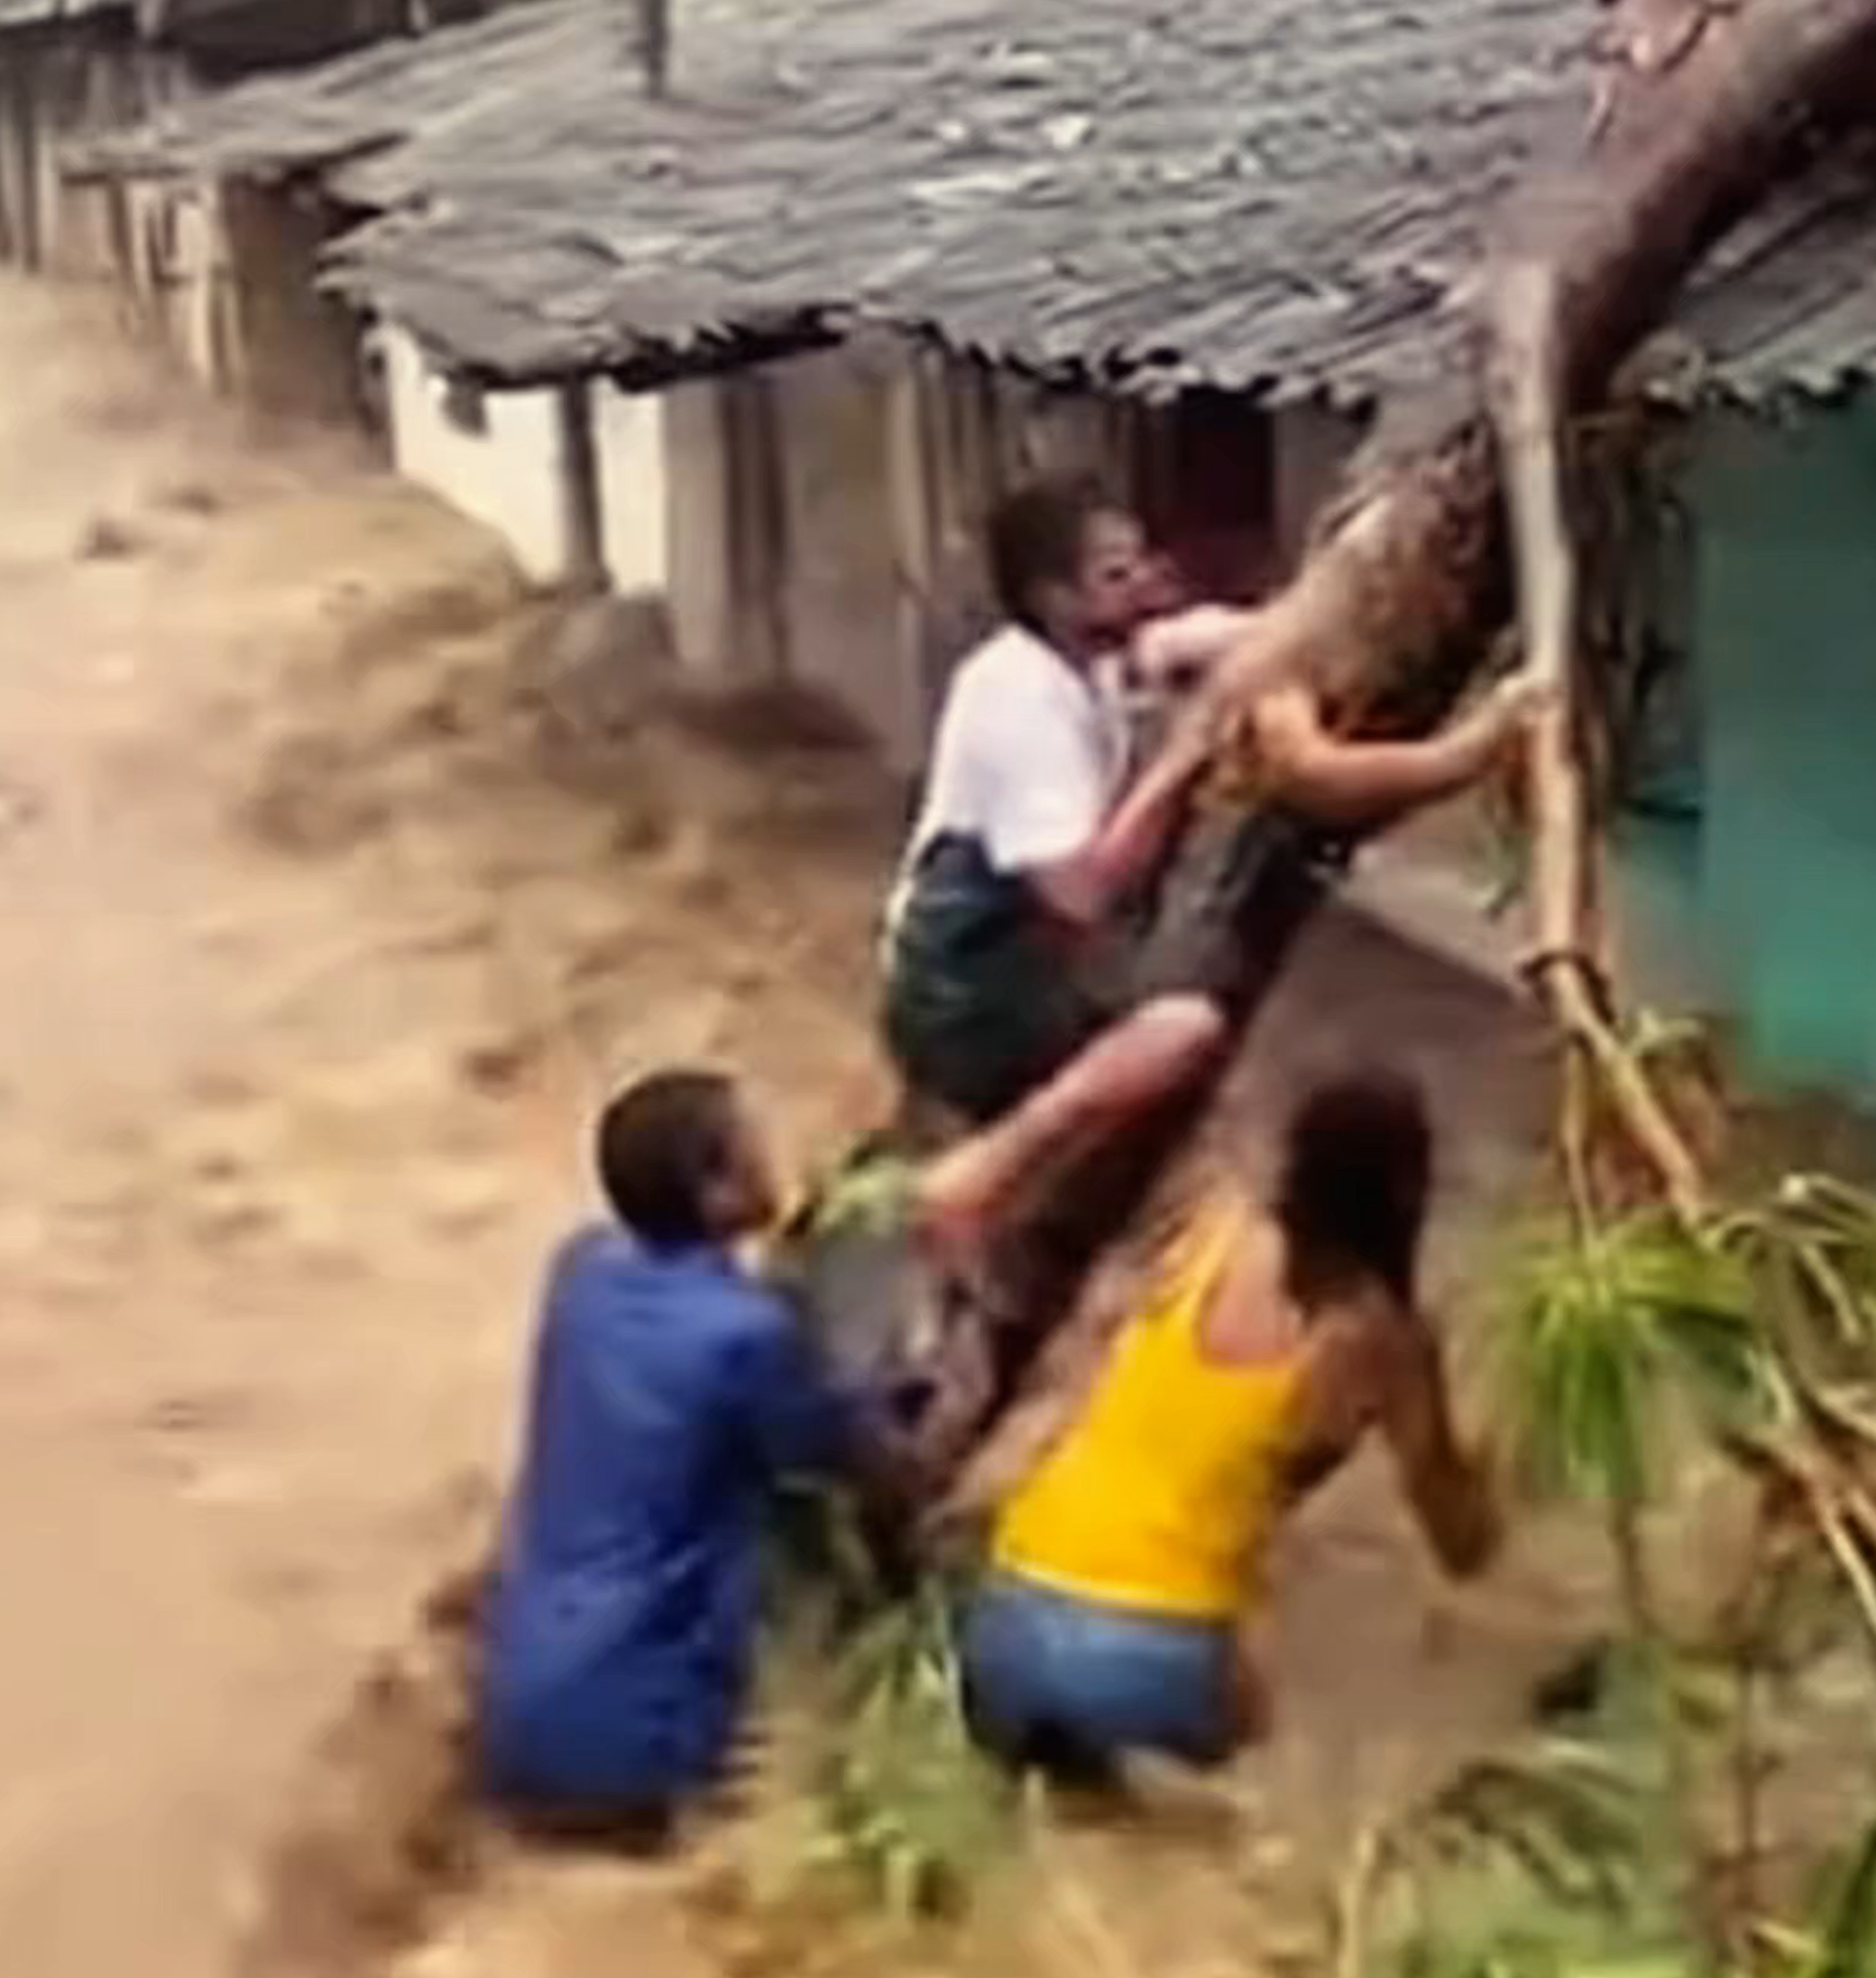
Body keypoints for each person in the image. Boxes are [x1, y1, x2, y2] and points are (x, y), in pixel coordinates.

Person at [880, 476, 1536, 1257]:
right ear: (1056, 600)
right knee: (1183, 1029)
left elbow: (1216, 636)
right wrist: (1185, 759)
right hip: (970, 976)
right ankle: (994, 1164)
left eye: (1140, 561)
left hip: (1039, 942)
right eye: (1116, 576)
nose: (1148, 582)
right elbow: (1081, 893)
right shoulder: (1023, 701)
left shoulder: (1106, 654)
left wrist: (1333, 614)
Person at [954, 1065, 1500, 1788]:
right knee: (1263, 1743)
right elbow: (1462, 1547)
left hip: (1005, 1615)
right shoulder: (1381, 1336)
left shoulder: (1211, 1227)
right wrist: (1503, 1461)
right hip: (1146, 1654)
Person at [478, 1070, 903, 1840]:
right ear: (715, 1196)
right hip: (639, 1749)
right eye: (751, 1149)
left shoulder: (580, 1271)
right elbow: (847, 1460)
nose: (771, 1159)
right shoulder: (747, 1335)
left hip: (517, 1719)